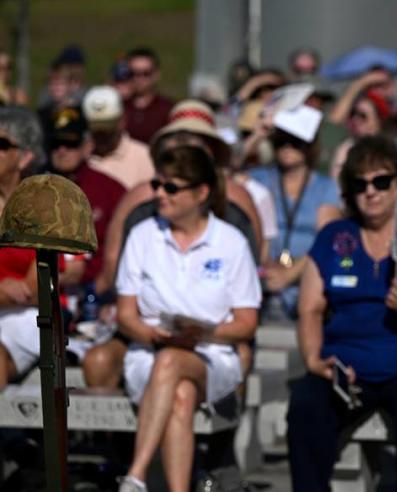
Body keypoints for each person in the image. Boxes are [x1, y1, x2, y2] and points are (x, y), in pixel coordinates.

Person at [287, 135, 397, 491]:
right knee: (307, 407)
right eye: (360, 184)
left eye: (381, 181)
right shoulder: (334, 238)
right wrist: (312, 359)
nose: (371, 191)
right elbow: (309, 308)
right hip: (351, 361)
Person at [83, 100, 261, 390]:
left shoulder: (238, 200)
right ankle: (109, 436)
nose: (184, 148)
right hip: (147, 329)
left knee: (218, 364)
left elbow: (252, 282)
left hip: (215, 331)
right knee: (100, 360)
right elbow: (112, 272)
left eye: (195, 141)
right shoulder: (140, 199)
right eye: (177, 140)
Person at [115, 145, 261, 492]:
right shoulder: (143, 236)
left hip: (213, 357)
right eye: (157, 184)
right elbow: (125, 315)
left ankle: (136, 475)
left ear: (201, 192)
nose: (159, 194)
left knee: (171, 363)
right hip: (147, 354)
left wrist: (201, 333)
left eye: (171, 187)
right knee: (179, 394)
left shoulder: (231, 243)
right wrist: (155, 336)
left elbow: (246, 323)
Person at [248, 103, 342, 319]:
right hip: (262, 278)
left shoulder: (325, 187)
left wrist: (290, 274)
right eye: (281, 141)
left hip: (304, 281)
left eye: (297, 142)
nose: (288, 147)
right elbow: (225, 172)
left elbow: (327, 240)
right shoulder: (258, 178)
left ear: (310, 146)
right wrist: (257, 135)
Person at [46, 106, 126, 288]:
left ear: (87, 146)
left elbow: (121, 250)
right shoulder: (33, 188)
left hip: (94, 292)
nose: (62, 151)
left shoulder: (110, 190)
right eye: (55, 144)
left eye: (71, 144)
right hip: (41, 291)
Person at [0, 108, 48, 389]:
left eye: (3, 145)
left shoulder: (42, 205)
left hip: (28, 315)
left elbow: (36, 287)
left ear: (26, 156)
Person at [83, 85, 155, 189]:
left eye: (107, 128)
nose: (102, 134)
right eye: (96, 129)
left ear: (122, 120)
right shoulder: (80, 158)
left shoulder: (145, 158)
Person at [123, 47, 176, 144]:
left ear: (156, 74)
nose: (139, 79)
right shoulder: (119, 108)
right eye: (133, 73)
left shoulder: (168, 109)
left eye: (145, 73)